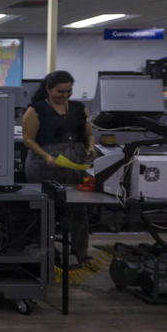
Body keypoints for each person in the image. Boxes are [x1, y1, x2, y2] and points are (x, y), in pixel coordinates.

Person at [21, 70, 96, 267]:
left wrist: (91, 147)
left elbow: (88, 134)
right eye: (60, 92)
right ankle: (47, 253)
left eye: (69, 91)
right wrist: (46, 156)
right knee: (47, 210)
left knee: (78, 209)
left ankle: (81, 252)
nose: (65, 95)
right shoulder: (36, 109)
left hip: (73, 165)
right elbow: (27, 138)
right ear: (48, 89)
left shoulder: (79, 108)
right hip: (44, 166)